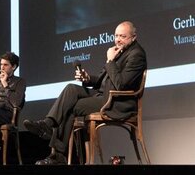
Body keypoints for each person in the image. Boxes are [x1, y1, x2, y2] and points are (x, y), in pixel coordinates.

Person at [23, 21, 146, 165]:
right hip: (104, 95)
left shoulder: (136, 55)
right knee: (71, 88)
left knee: (72, 107)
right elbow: (102, 81)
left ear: (133, 37)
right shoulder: (119, 51)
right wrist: (87, 78)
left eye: (123, 36)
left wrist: (110, 61)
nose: (118, 39)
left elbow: (121, 84)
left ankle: (58, 155)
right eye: (116, 35)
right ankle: (48, 124)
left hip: (117, 102)